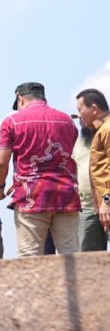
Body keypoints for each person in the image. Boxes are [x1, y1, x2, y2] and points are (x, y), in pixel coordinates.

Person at [0, 82, 81, 255]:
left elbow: (1, 162)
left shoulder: (12, 121)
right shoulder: (67, 121)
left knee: (30, 257)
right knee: (72, 256)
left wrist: (0, 187)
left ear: (20, 99)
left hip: (31, 197)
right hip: (65, 196)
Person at [75, 89, 110, 252]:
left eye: (80, 110)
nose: (80, 115)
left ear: (94, 109)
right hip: (96, 207)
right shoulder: (99, 131)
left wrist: (107, 200)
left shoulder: (108, 129)